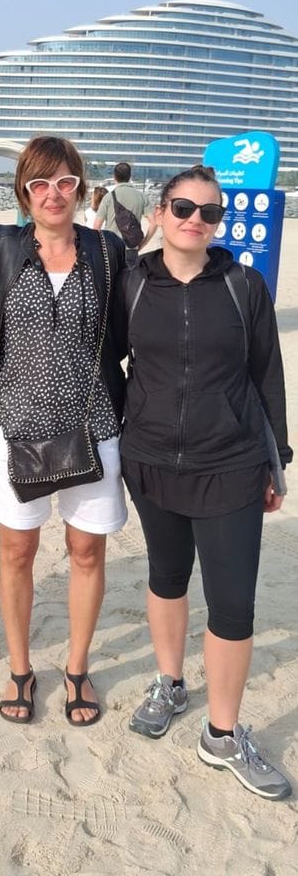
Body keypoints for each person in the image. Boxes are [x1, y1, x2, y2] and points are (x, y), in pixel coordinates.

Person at [116, 164, 292, 800]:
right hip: (152, 460)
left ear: (222, 223)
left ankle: (222, 734)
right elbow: (110, 364)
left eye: (210, 213)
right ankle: (169, 681)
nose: (196, 221)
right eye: (184, 208)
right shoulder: (131, 283)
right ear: (160, 213)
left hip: (232, 463)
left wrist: (279, 460)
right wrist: (120, 438)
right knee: (165, 578)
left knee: (233, 605)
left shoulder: (243, 285)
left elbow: (266, 372)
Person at [0, 136, 127, 724]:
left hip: (92, 423)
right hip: (17, 425)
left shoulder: (107, 251)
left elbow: (133, 325)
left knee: (85, 550)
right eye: (39, 184)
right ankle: (21, 669)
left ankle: (77, 670)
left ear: (82, 186)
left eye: (65, 182)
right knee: (17, 550)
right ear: (23, 194)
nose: (54, 195)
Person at [93, 161, 147, 265]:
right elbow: (154, 222)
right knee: (129, 280)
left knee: (111, 280)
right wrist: (143, 242)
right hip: (132, 248)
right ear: (130, 176)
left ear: (114, 177)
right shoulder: (141, 196)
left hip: (111, 248)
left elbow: (96, 227)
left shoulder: (108, 197)